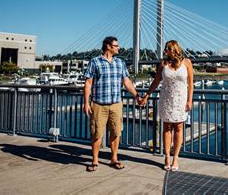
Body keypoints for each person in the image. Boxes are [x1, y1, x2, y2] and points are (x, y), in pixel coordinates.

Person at [83, 36, 142, 172]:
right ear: (109, 46)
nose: (119, 47)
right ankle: (95, 161)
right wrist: (86, 103)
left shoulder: (120, 63)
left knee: (116, 132)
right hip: (99, 104)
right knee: (97, 133)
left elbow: (126, 82)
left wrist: (137, 96)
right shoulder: (95, 62)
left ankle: (114, 158)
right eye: (116, 45)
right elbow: (88, 83)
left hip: (116, 104)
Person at [141, 40, 194, 171]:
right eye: (165, 49)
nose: (165, 51)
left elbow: (191, 84)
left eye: (167, 49)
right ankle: (167, 157)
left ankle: (175, 158)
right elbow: (156, 81)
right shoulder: (164, 63)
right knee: (167, 127)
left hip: (181, 100)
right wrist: (147, 95)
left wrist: (189, 101)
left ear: (174, 49)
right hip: (166, 99)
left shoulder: (187, 62)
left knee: (179, 128)